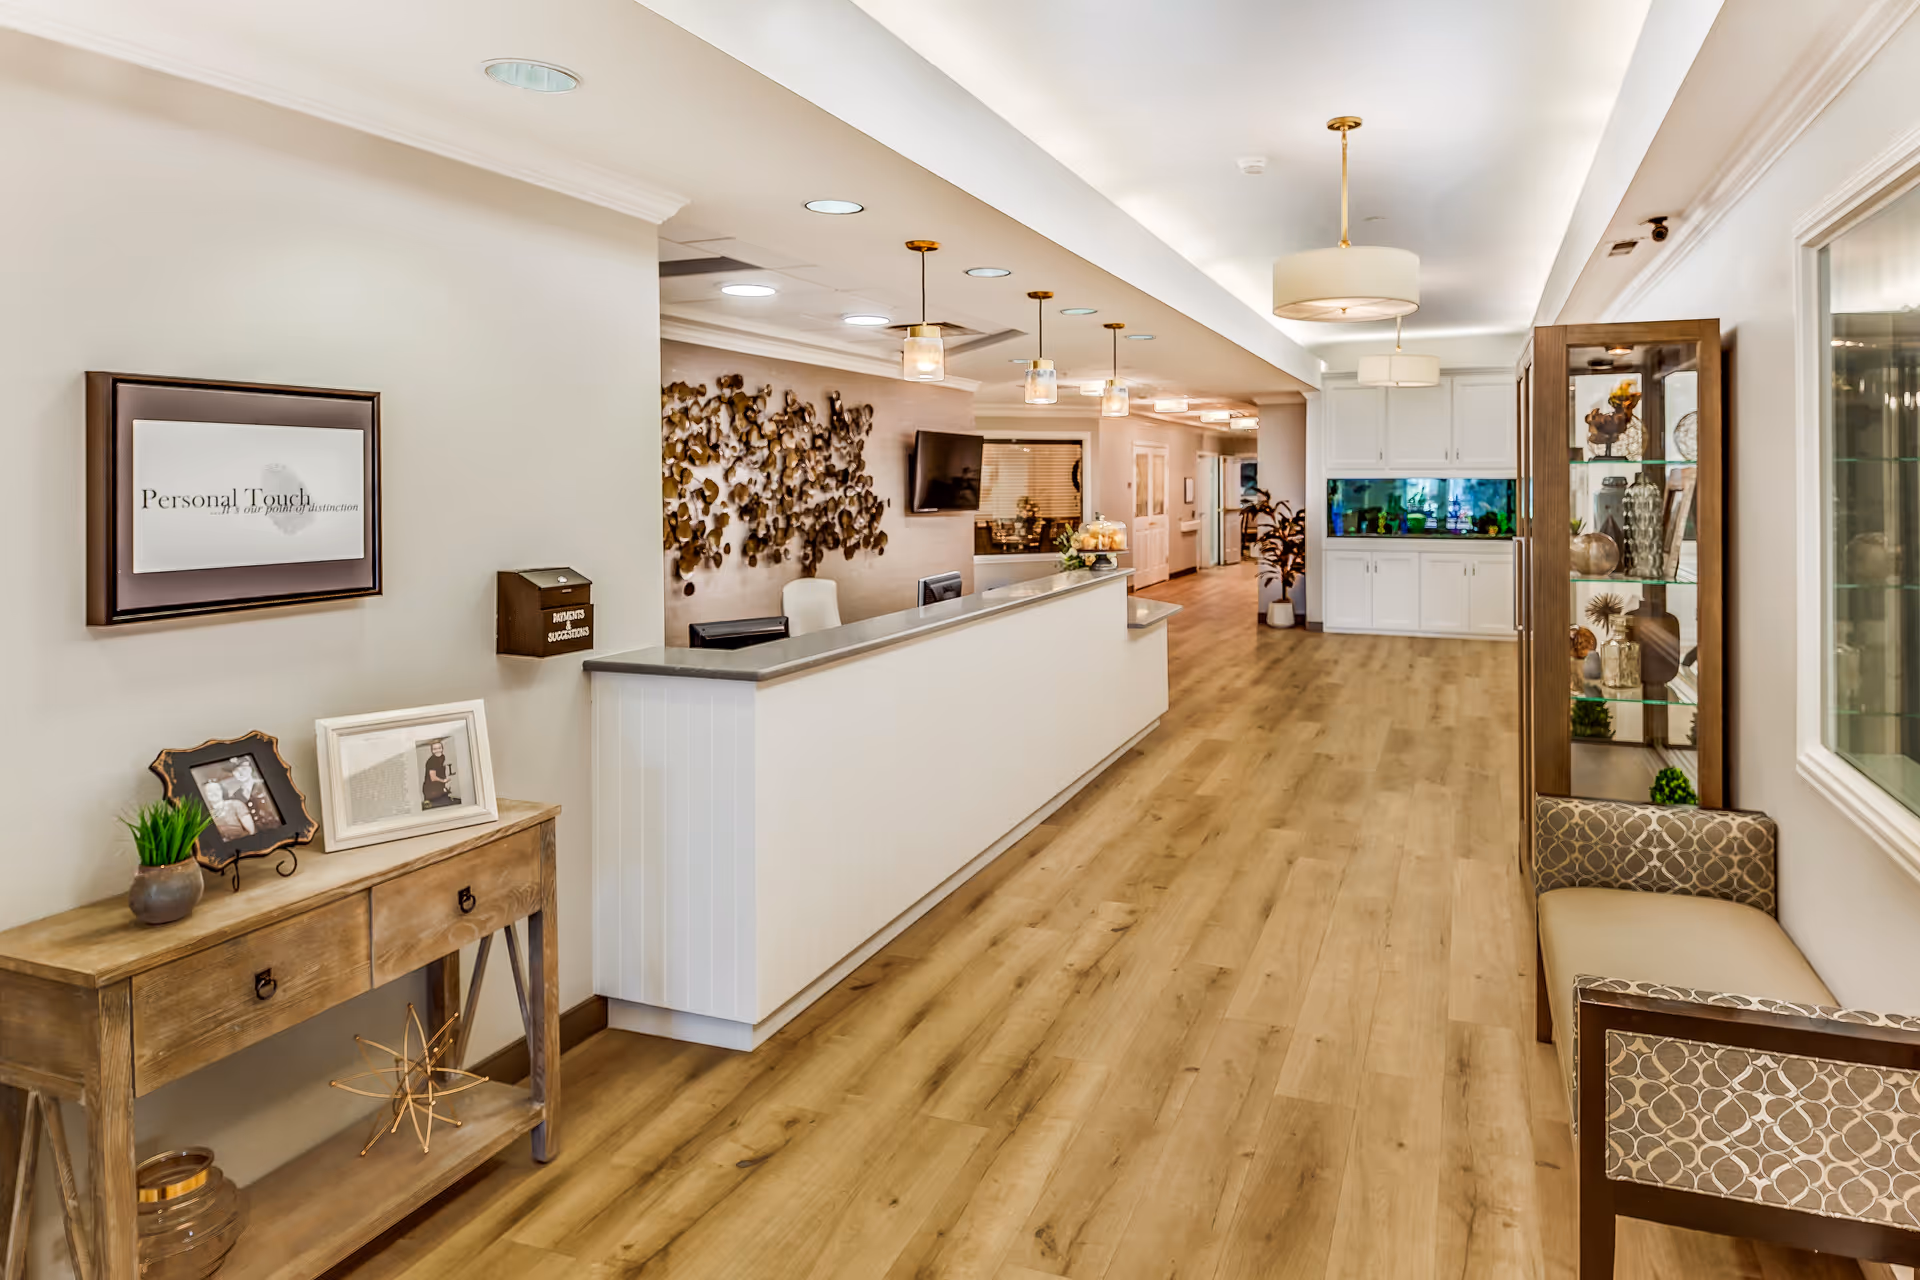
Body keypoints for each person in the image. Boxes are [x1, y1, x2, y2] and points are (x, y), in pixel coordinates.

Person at [421, 740, 459, 809]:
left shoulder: (442, 757)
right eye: (435, 749)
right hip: (431, 790)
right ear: (432, 751)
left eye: (439, 748)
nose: (438, 750)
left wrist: (443, 787)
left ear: (442, 748)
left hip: (438, 788)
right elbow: (433, 777)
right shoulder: (432, 761)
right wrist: (443, 781)